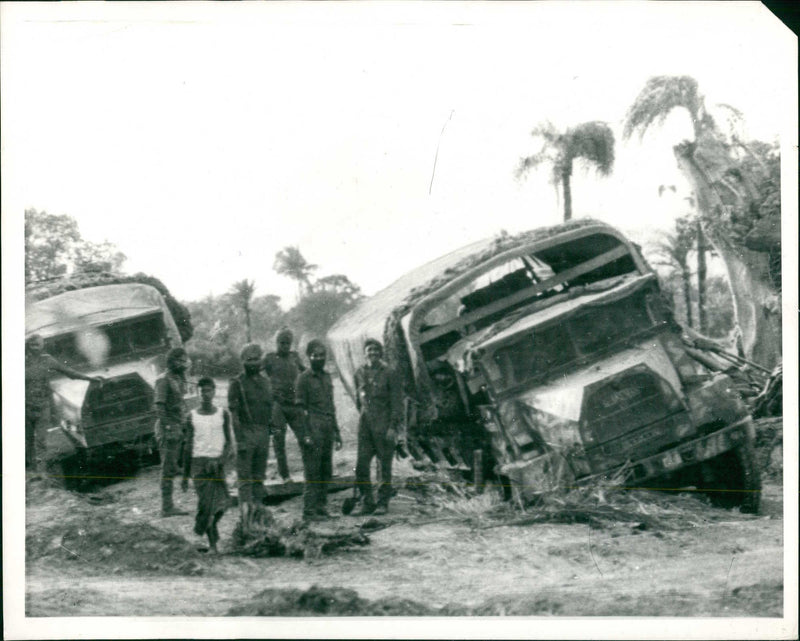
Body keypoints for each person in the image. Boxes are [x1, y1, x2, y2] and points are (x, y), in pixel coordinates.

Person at [25, 333, 104, 477]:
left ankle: (41, 474)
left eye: (38, 345)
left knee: (40, 440)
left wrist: (89, 378)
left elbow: (69, 372)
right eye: (32, 345)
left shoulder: (47, 360)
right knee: (27, 440)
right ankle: (29, 472)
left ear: (42, 345)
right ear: (27, 346)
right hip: (24, 407)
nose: (35, 348)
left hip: (42, 405)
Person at [181, 377, 232, 553]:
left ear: (214, 391)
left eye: (208, 390)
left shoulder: (223, 414)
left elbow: (229, 443)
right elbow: (188, 446)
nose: (205, 394)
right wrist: (185, 475)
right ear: (198, 393)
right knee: (207, 505)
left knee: (223, 504)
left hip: (217, 465)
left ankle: (201, 528)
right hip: (199, 465)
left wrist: (221, 461)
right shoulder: (191, 416)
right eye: (202, 391)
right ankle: (213, 546)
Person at [353, 338, 404, 516]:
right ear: (364, 353)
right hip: (365, 425)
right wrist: (365, 417)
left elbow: (397, 403)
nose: (373, 353)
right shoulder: (359, 372)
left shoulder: (389, 373)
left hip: (384, 425)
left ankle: (382, 503)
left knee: (384, 465)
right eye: (369, 350)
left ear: (381, 353)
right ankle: (366, 502)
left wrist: (393, 427)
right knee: (361, 465)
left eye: (376, 350)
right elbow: (358, 400)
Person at [295, 339, 343, 521]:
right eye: (315, 355)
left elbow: (331, 406)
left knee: (325, 470)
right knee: (312, 471)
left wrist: (337, 432)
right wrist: (305, 434)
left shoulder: (327, 377)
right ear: (308, 357)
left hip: (327, 427)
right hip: (312, 426)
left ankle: (321, 507)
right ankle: (309, 511)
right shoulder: (303, 379)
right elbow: (300, 410)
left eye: (322, 355)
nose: (319, 358)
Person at [228, 343, 274, 532]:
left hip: (263, 432)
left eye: (257, 359)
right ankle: (246, 522)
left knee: (259, 477)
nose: (254, 363)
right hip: (246, 432)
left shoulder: (265, 382)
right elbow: (234, 415)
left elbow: (269, 407)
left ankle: (259, 517)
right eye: (249, 360)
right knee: (245, 480)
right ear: (242, 361)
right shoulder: (237, 383)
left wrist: (270, 429)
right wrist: (240, 440)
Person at [262, 327, 306, 484]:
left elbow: (305, 372)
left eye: (288, 343)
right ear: (276, 342)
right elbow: (257, 373)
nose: (285, 346)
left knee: (304, 437)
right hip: (277, 404)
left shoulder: (295, 357)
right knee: (278, 439)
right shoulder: (269, 358)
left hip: (294, 403)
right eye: (281, 343)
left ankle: (310, 471)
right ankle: (285, 475)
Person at [154, 347, 191, 517]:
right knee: (168, 468)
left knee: (175, 466)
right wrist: (168, 427)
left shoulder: (178, 378)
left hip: (178, 425)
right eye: (180, 360)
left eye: (185, 360)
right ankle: (166, 507)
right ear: (172, 362)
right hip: (168, 428)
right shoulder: (163, 380)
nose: (184, 364)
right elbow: (159, 406)